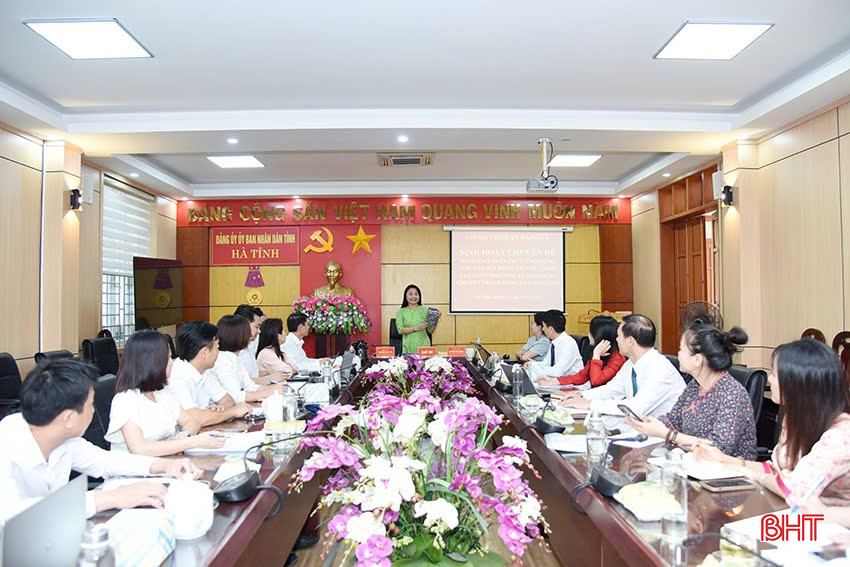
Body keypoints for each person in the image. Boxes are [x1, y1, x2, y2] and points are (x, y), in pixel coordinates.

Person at [0, 359, 201, 523]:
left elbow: (104, 461)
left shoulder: (61, 437)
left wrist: (163, 465)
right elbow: (15, 515)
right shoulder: (7, 445)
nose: (94, 411)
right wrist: (108, 498)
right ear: (68, 418)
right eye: (90, 405)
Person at [695, 339, 850, 505]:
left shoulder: (841, 436)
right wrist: (724, 459)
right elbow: (775, 469)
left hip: (826, 519)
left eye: (774, 374)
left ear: (797, 381)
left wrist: (755, 476)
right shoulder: (795, 419)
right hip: (791, 510)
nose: (769, 380)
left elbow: (794, 489)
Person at [625, 325, 756, 459]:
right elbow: (674, 419)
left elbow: (718, 449)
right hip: (690, 461)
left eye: (681, 349)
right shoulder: (695, 385)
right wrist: (651, 422)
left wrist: (666, 434)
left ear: (697, 360)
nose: (678, 354)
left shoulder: (732, 394)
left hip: (727, 469)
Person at [106, 330, 225, 455]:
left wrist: (183, 436)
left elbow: (192, 422)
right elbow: (139, 449)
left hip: (166, 461)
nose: (172, 362)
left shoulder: (161, 393)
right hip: (136, 466)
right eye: (168, 358)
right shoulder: (125, 400)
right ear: (151, 362)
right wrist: (192, 442)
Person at [561, 314, 684, 418]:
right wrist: (581, 395)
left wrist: (589, 404)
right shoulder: (631, 364)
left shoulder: (660, 369)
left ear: (630, 341)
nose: (617, 340)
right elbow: (611, 390)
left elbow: (635, 408)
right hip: (640, 427)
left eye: (618, 336)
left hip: (662, 433)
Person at [160, 321, 251, 426]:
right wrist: (231, 412)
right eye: (217, 348)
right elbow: (194, 419)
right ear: (204, 352)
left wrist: (214, 414)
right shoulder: (177, 377)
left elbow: (228, 401)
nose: (218, 353)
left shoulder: (204, 372)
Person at [207, 315, 283, 403]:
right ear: (238, 335)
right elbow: (235, 396)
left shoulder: (235, 357)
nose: (251, 335)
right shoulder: (222, 360)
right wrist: (272, 390)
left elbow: (251, 387)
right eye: (247, 331)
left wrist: (278, 387)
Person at [538, 315, 625, 389]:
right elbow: (582, 376)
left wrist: (596, 356)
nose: (587, 332)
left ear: (599, 334)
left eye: (590, 329)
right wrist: (554, 381)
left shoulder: (617, 358)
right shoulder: (599, 353)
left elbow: (596, 381)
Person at [532, 309, 583, 377]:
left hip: (572, 382)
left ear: (551, 329)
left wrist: (537, 369)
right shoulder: (554, 343)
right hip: (558, 380)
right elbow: (547, 363)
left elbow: (557, 372)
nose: (543, 329)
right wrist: (532, 365)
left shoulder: (568, 344)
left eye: (543, 326)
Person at [396, 284, 441, 355]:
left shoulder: (425, 310)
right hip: (408, 347)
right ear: (405, 296)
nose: (413, 296)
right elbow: (400, 330)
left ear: (419, 296)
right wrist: (416, 328)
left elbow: (430, 330)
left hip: (424, 347)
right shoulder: (401, 312)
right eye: (410, 294)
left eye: (416, 294)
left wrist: (435, 320)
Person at [234, 304, 262, 379]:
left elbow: (253, 374)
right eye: (257, 327)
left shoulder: (250, 345)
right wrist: (268, 379)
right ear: (244, 324)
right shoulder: (232, 350)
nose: (259, 331)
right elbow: (243, 381)